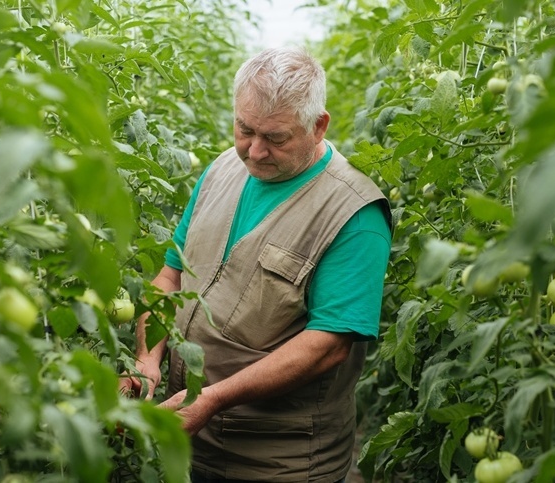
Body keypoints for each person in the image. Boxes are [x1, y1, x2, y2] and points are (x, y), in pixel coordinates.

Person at [120, 46, 392, 482]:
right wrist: (147, 357)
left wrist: (211, 398)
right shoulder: (222, 170)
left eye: (276, 138)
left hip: (277, 464)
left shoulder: (353, 214)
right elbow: (171, 275)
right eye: (245, 129)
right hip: (187, 441)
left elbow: (328, 345)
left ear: (318, 126)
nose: (255, 151)